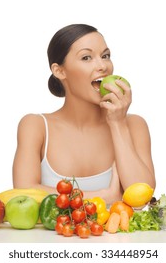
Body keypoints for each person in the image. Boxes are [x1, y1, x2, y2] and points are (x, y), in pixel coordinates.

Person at [12, 24, 155, 205]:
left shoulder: (134, 125)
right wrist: (101, 197)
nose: (103, 66)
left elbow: (142, 195)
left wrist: (118, 124)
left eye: (105, 56)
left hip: (117, 235)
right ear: (59, 71)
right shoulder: (35, 126)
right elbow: (24, 192)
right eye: (86, 57)